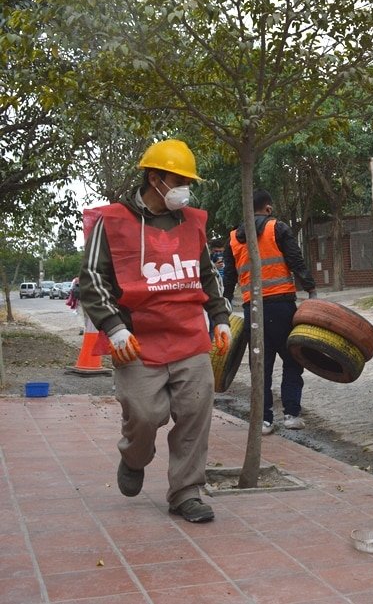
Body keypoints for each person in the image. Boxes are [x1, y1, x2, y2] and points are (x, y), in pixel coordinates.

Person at [79, 139, 231, 524]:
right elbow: (92, 279)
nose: (185, 187)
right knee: (146, 414)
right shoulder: (111, 221)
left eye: (187, 180)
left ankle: (186, 492)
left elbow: (207, 275)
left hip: (188, 337)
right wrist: (113, 329)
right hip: (135, 340)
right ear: (154, 178)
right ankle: (134, 456)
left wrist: (221, 318)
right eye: (177, 179)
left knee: (196, 412)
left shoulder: (194, 221)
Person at [222, 189, 316, 435]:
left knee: (260, 364)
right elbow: (296, 260)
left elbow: (229, 276)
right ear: (268, 208)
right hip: (281, 304)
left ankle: (264, 421)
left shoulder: (233, 237)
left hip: (252, 308)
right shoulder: (278, 228)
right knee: (293, 359)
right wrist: (310, 288)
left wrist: (224, 303)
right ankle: (291, 415)